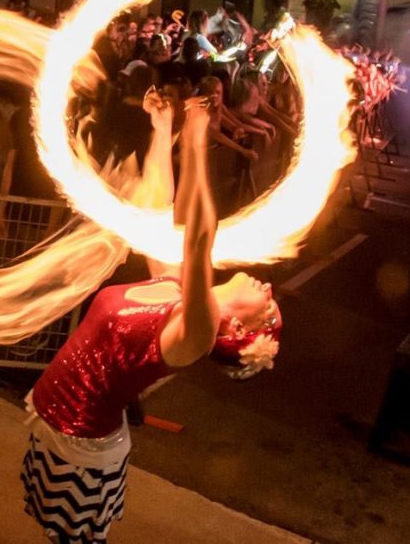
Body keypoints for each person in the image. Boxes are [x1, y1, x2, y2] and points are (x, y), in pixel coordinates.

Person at [21, 93, 282, 543]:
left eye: (270, 308)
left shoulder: (194, 334)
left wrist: (198, 139)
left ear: (238, 331)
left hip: (79, 448)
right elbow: (162, 214)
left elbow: (199, 236)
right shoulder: (177, 291)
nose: (270, 290)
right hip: (55, 421)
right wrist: (163, 132)